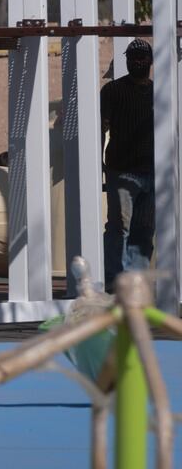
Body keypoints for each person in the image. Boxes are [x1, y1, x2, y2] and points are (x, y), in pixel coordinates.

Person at [100, 38, 156, 291]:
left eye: (142, 57)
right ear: (126, 61)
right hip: (122, 169)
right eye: (133, 57)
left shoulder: (159, 92)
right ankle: (114, 282)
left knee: (144, 229)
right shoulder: (112, 91)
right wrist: (99, 162)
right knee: (119, 227)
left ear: (151, 61)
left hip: (152, 170)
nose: (137, 62)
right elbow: (102, 127)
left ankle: (136, 284)